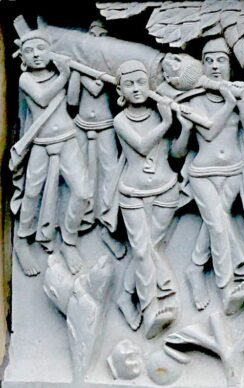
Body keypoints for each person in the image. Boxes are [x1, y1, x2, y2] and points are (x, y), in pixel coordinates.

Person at [180, 37, 244, 315]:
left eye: (221, 60)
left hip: (234, 171)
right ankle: (228, 285)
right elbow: (210, 131)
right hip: (202, 173)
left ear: (230, 66)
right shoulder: (195, 100)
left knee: (218, 223)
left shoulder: (237, 99)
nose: (215, 66)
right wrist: (229, 102)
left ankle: (195, 268)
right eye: (208, 60)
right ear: (201, 66)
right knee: (216, 225)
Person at [111, 60, 185, 339]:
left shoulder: (160, 113)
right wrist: (167, 122)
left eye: (141, 82)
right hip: (131, 192)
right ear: (120, 90)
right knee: (142, 251)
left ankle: (125, 295)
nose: (136, 88)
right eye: (129, 84)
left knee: (150, 249)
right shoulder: (121, 120)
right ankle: (153, 306)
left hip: (166, 189)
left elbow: (176, 154)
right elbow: (142, 146)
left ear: (150, 85)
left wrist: (184, 127)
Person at [11, 28, 92, 276]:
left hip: (68, 139)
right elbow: (44, 98)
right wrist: (65, 75)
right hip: (41, 143)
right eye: (29, 51)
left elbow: (72, 102)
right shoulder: (26, 80)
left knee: (82, 192)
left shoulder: (60, 75)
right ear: (22, 58)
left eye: (41, 49)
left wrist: (75, 75)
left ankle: (69, 241)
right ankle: (23, 241)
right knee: (32, 193)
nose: (36, 55)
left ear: (51, 52)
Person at [68, 21, 123, 258]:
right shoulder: (80, 68)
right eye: (93, 37)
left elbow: (109, 93)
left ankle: (107, 224)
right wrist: (75, 73)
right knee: (82, 176)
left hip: (106, 126)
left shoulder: (112, 68)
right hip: (81, 125)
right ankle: (80, 223)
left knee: (109, 173)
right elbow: (71, 101)